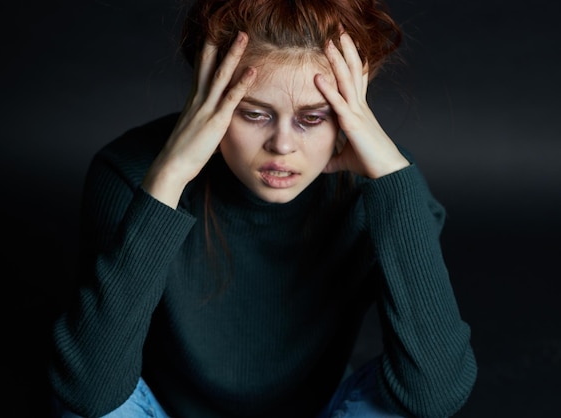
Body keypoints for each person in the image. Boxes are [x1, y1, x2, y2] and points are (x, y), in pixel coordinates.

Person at [48, 0, 477, 417]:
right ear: (207, 96)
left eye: (313, 118)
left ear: (353, 107)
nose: (283, 146)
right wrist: (167, 179)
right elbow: (89, 392)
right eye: (252, 114)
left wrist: (393, 183)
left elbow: (434, 395)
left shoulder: (384, 186)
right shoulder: (129, 173)